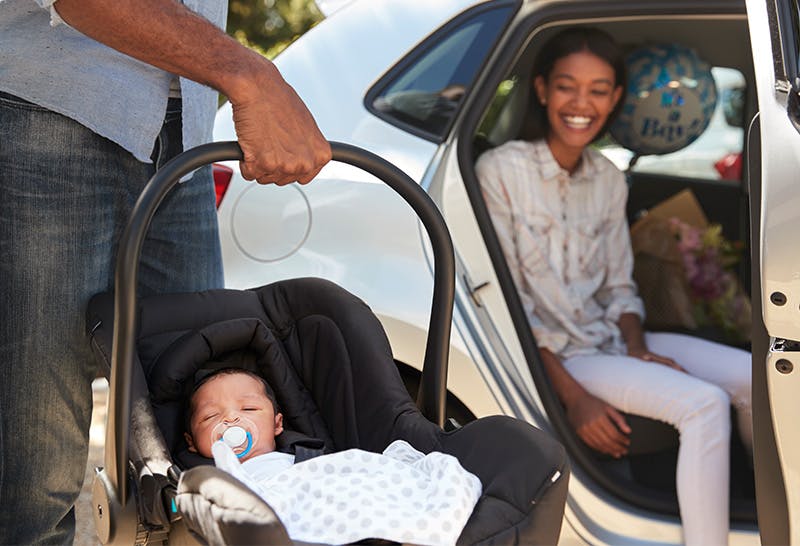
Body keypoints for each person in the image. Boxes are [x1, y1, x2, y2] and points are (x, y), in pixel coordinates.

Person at [0, 0, 331, 543]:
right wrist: (249, 73)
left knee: (185, 455)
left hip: (185, 137)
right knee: (33, 478)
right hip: (49, 111)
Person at [476, 27, 752, 546]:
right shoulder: (501, 171)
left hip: (611, 338)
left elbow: (622, 285)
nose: (581, 104)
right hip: (564, 354)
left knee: (753, 376)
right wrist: (574, 397)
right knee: (704, 404)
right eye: (567, 86)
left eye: (599, 89)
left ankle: (773, 518)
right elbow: (508, 304)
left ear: (616, 98)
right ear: (541, 89)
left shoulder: (605, 176)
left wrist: (636, 348)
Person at [183, 368, 481, 546]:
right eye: (211, 417)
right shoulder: (206, 478)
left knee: (384, 483)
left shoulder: (310, 459)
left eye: (248, 410)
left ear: (277, 424)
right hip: (261, 513)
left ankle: (409, 529)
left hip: (318, 491)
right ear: (192, 443)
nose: (232, 420)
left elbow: (343, 478)